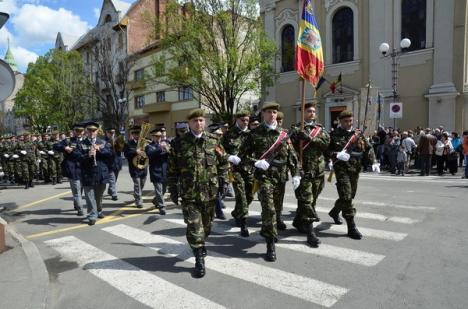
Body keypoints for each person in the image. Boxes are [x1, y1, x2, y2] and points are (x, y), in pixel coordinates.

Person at [167, 108, 229, 278]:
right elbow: (172, 170)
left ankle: (200, 244)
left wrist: (224, 181)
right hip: (189, 194)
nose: (198, 123)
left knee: (207, 227)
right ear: (189, 123)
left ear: (205, 122)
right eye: (195, 121)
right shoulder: (178, 144)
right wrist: (172, 189)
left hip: (210, 192)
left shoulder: (214, 141)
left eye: (201, 120)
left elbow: (223, 162)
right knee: (195, 226)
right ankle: (199, 257)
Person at [238, 102, 300, 261]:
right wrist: (255, 162)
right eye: (269, 112)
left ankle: (270, 228)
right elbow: (242, 156)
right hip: (264, 177)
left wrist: (296, 174)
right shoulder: (254, 134)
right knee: (269, 209)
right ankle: (270, 243)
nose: (272, 115)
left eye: (274, 112)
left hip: (280, 177)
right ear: (263, 114)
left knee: (277, 209)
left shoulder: (284, 134)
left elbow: (292, 156)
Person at [327, 110, 376, 239]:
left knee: (349, 195)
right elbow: (326, 151)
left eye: (350, 121)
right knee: (347, 196)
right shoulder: (334, 135)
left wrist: (374, 161)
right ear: (340, 121)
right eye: (345, 121)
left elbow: (368, 148)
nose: (349, 123)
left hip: (355, 169)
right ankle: (351, 226)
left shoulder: (358, 135)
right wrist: (335, 155)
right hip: (341, 169)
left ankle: (334, 211)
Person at [289, 102, 330, 247]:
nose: (312, 113)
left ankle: (298, 221)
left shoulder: (320, 129)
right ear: (302, 113)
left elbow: (326, 144)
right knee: (307, 201)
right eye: (309, 111)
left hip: (318, 170)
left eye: (313, 111)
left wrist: (310, 138)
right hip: (304, 170)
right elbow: (290, 150)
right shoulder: (295, 129)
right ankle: (310, 233)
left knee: (312, 200)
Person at [222, 110, 254, 234]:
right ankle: (243, 224)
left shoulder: (251, 134)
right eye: (243, 120)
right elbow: (219, 149)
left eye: (247, 120)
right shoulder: (229, 134)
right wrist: (228, 157)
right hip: (235, 170)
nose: (245, 122)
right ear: (236, 119)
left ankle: (237, 212)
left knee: (250, 195)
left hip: (250, 169)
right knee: (241, 196)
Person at [77, 122, 112, 225]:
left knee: (99, 196)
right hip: (88, 173)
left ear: (97, 131)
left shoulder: (103, 142)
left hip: (101, 173)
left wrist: (99, 149)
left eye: (94, 130)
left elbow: (110, 154)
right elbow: (78, 158)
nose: (92, 132)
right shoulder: (81, 143)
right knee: (89, 196)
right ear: (86, 131)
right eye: (89, 130)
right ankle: (92, 215)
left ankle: (99, 210)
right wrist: (88, 154)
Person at [54, 123, 85, 216]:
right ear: (74, 131)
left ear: (83, 132)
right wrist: (64, 147)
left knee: (81, 189)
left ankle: (76, 204)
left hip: (84, 169)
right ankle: (80, 209)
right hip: (73, 169)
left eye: (81, 131)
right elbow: (55, 146)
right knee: (76, 191)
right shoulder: (68, 141)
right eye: (77, 131)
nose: (79, 133)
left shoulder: (86, 141)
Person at [124, 125, 148, 208]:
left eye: (137, 133)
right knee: (137, 184)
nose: (136, 135)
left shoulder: (145, 142)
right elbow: (126, 154)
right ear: (132, 134)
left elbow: (150, 152)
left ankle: (137, 194)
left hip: (143, 166)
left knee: (142, 184)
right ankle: (138, 201)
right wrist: (135, 151)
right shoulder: (128, 143)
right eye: (134, 133)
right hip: (134, 168)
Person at [145, 129, 169, 215]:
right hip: (155, 171)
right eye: (157, 136)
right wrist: (160, 148)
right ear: (153, 137)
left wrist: (168, 150)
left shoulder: (165, 144)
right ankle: (162, 207)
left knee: (163, 190)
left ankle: (156, 200)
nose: (159, 138)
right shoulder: (149, 146)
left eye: (160, 136)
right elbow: (150, 154)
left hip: (165, 171)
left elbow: (169, 155)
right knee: (158, 190)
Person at [104, 127, 123, 201]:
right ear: (107, 133)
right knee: (112, 179)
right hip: (109, 163)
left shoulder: (119, 139)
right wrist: (110, 141)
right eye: (110, 133)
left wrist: (116, 142)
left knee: (115, 179)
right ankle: (114, 194)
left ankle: (110, 190)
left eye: (113, 133)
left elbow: (122, 148)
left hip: (117, 163)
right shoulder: (104, 141)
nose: (112, 134)